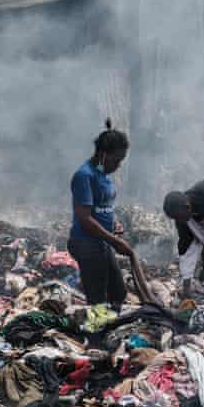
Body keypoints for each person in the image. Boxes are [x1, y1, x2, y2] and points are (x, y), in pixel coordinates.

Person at [67, 119, 132, 306]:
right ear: (104, 154)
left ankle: (110, 330)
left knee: (118, 293)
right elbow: (84, 218)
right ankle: (96, 334)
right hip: (87, 244)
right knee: (97, 301)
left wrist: (113, 223)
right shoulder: (84, 176)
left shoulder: (103, 175)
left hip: (103, 243)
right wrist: (116, 241)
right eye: (116, 160)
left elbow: (102, 207)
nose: (118, 165)